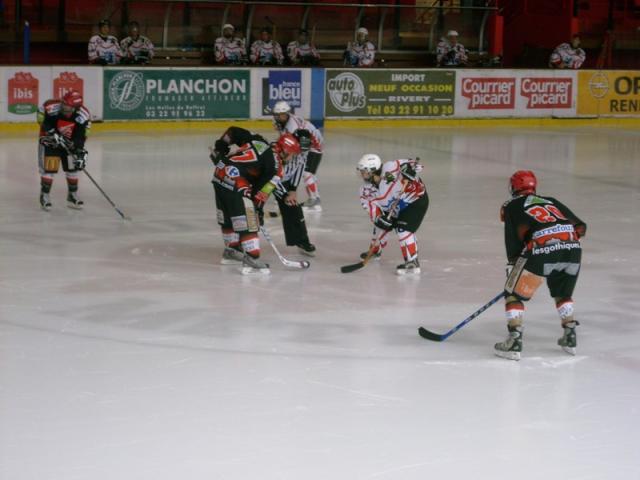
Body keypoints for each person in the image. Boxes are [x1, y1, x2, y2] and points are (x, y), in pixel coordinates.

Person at [495, 170, 587, 361]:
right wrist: (562, 239)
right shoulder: (551, 200)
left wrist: (513, 263)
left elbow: (513, 239)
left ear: (513, 188)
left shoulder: (511, 206)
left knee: (513, 293)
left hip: (542, 250)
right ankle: (570, 334)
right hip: (572, 249)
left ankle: (514, 340)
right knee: (563, 292)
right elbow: (580, 227)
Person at [210, 127, 282, 275]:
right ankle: (252, 258)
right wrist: (258, 210)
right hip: (236, 180)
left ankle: (232, 251)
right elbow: (262, 193)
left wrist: (220, 147)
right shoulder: (277, 167)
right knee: (249, 217)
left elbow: (233, 131)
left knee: (228, 215)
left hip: (219, 174)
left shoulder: (258, 140)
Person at [357, 154, 429, 275]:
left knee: (402, 230)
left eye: (364, 171)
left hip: (415, 201)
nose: (362, 174)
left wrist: (410, 170)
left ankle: (412, 263)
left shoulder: (390, 167)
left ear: (373, 171)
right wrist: (379, 218)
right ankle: (375, 250)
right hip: (393, 207)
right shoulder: (365, 190)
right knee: (380, 224)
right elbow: (372, 208)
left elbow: (415, 164)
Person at [37, 90, 91, 210]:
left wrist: (76, 146)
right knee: (50, 168)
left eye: (67, 105)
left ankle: (72, 196)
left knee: (72, 168)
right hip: (50, 141)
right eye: (64, 103)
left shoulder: (83, 115)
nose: (64, 106)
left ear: (75, 109)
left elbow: (82, 135)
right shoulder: (51, 107)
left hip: (69, 142)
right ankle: (44, 196)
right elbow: (42, 118)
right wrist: (51, 132)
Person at [271, 101, 324, 212]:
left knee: (306, 172)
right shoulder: (279, 122)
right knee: (293, 166)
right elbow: (284, 139)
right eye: (279, 115)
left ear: (288, 113)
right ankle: (286, 192)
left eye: (284, 114)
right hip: (303, 143)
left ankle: (315, 199)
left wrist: (287, 156)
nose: (281, 117)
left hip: (313, 146)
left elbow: (297, 146)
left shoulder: (293, 127)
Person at [272, 130, 316, 256]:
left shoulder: (303, 151)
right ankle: (243, 243)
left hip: (284, 182)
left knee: (295, 210)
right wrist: (284, 194)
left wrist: (292, 189)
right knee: (251, 211)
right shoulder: (279, 149)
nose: (301, 152)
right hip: (267, 180)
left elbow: (300, 168)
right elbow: (271, 175)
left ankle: (301, 241)